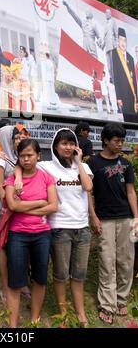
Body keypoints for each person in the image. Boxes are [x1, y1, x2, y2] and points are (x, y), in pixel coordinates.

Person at [37, 129, 93, 327]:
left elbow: (87, 188)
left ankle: (80, 312)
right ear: (55, 146)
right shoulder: (46, 167)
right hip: (59, 228)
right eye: (64, 143)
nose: (68, 147)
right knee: (61, 274)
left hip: (82, 228)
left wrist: (79, 163)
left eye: (71, 143)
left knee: (79, 274)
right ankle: (63, 312)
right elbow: (22, 164)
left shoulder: (83, 166)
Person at [87, 124, 138, 325]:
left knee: (126, 261)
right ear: (106, 141)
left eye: (121, 141)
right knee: (107, 262)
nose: (120, 144)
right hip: (105, 219)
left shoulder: (125, 164)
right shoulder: (93, 163)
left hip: (126, 218)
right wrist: (94, 217)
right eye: (116, 140)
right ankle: (107, 305)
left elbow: (131, 192)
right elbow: (88, 193)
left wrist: (136, 217)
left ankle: (121, 298)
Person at [5, 138, 57, 327]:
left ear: (38, 156)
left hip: (42, 234)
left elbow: (53, 206)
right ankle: (12, 324)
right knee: (15, 282)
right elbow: (12, 205)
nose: (26, 159)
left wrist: (23, 207)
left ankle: (35, 318)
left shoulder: (46, 177)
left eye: (30, 155)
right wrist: (39, 203)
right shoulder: (12, 179)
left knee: (39, 278)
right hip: (18, 234)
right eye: (22, 156)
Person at [0, 125, 31, 306]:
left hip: (22, 210)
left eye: (20, 138)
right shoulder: (0, 161)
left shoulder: (19, 159)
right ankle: (6, 287)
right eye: (15, 138)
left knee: (21, 248)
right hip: (6, 211)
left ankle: (21, 283)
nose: (19, 140)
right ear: (6, 139)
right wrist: (9, 204)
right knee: (5, 249)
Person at [112, 27, 138, 123]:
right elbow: (116, 76)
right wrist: (118, 97)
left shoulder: (130, 58)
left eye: (125, 40)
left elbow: (134, 80)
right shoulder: (114, 53)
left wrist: (137, 98)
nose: (123, 43)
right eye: (121, 40)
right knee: (125, 120)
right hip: (122, 95)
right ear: (118, 40)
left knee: (134, 119)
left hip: (132, 95)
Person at [100, 9, 118, 79]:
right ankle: (112, 78)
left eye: (107, 13)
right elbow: (105, 37)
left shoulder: (113, 22)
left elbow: (116, 34)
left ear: (110, 14)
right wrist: (102, 46)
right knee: (109, 67)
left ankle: (115, 78)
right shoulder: (106, 25)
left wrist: (116, 45)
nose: (106, 15)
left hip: (112, 46)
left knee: (113, 65)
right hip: (107, 47)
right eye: (105, 13)